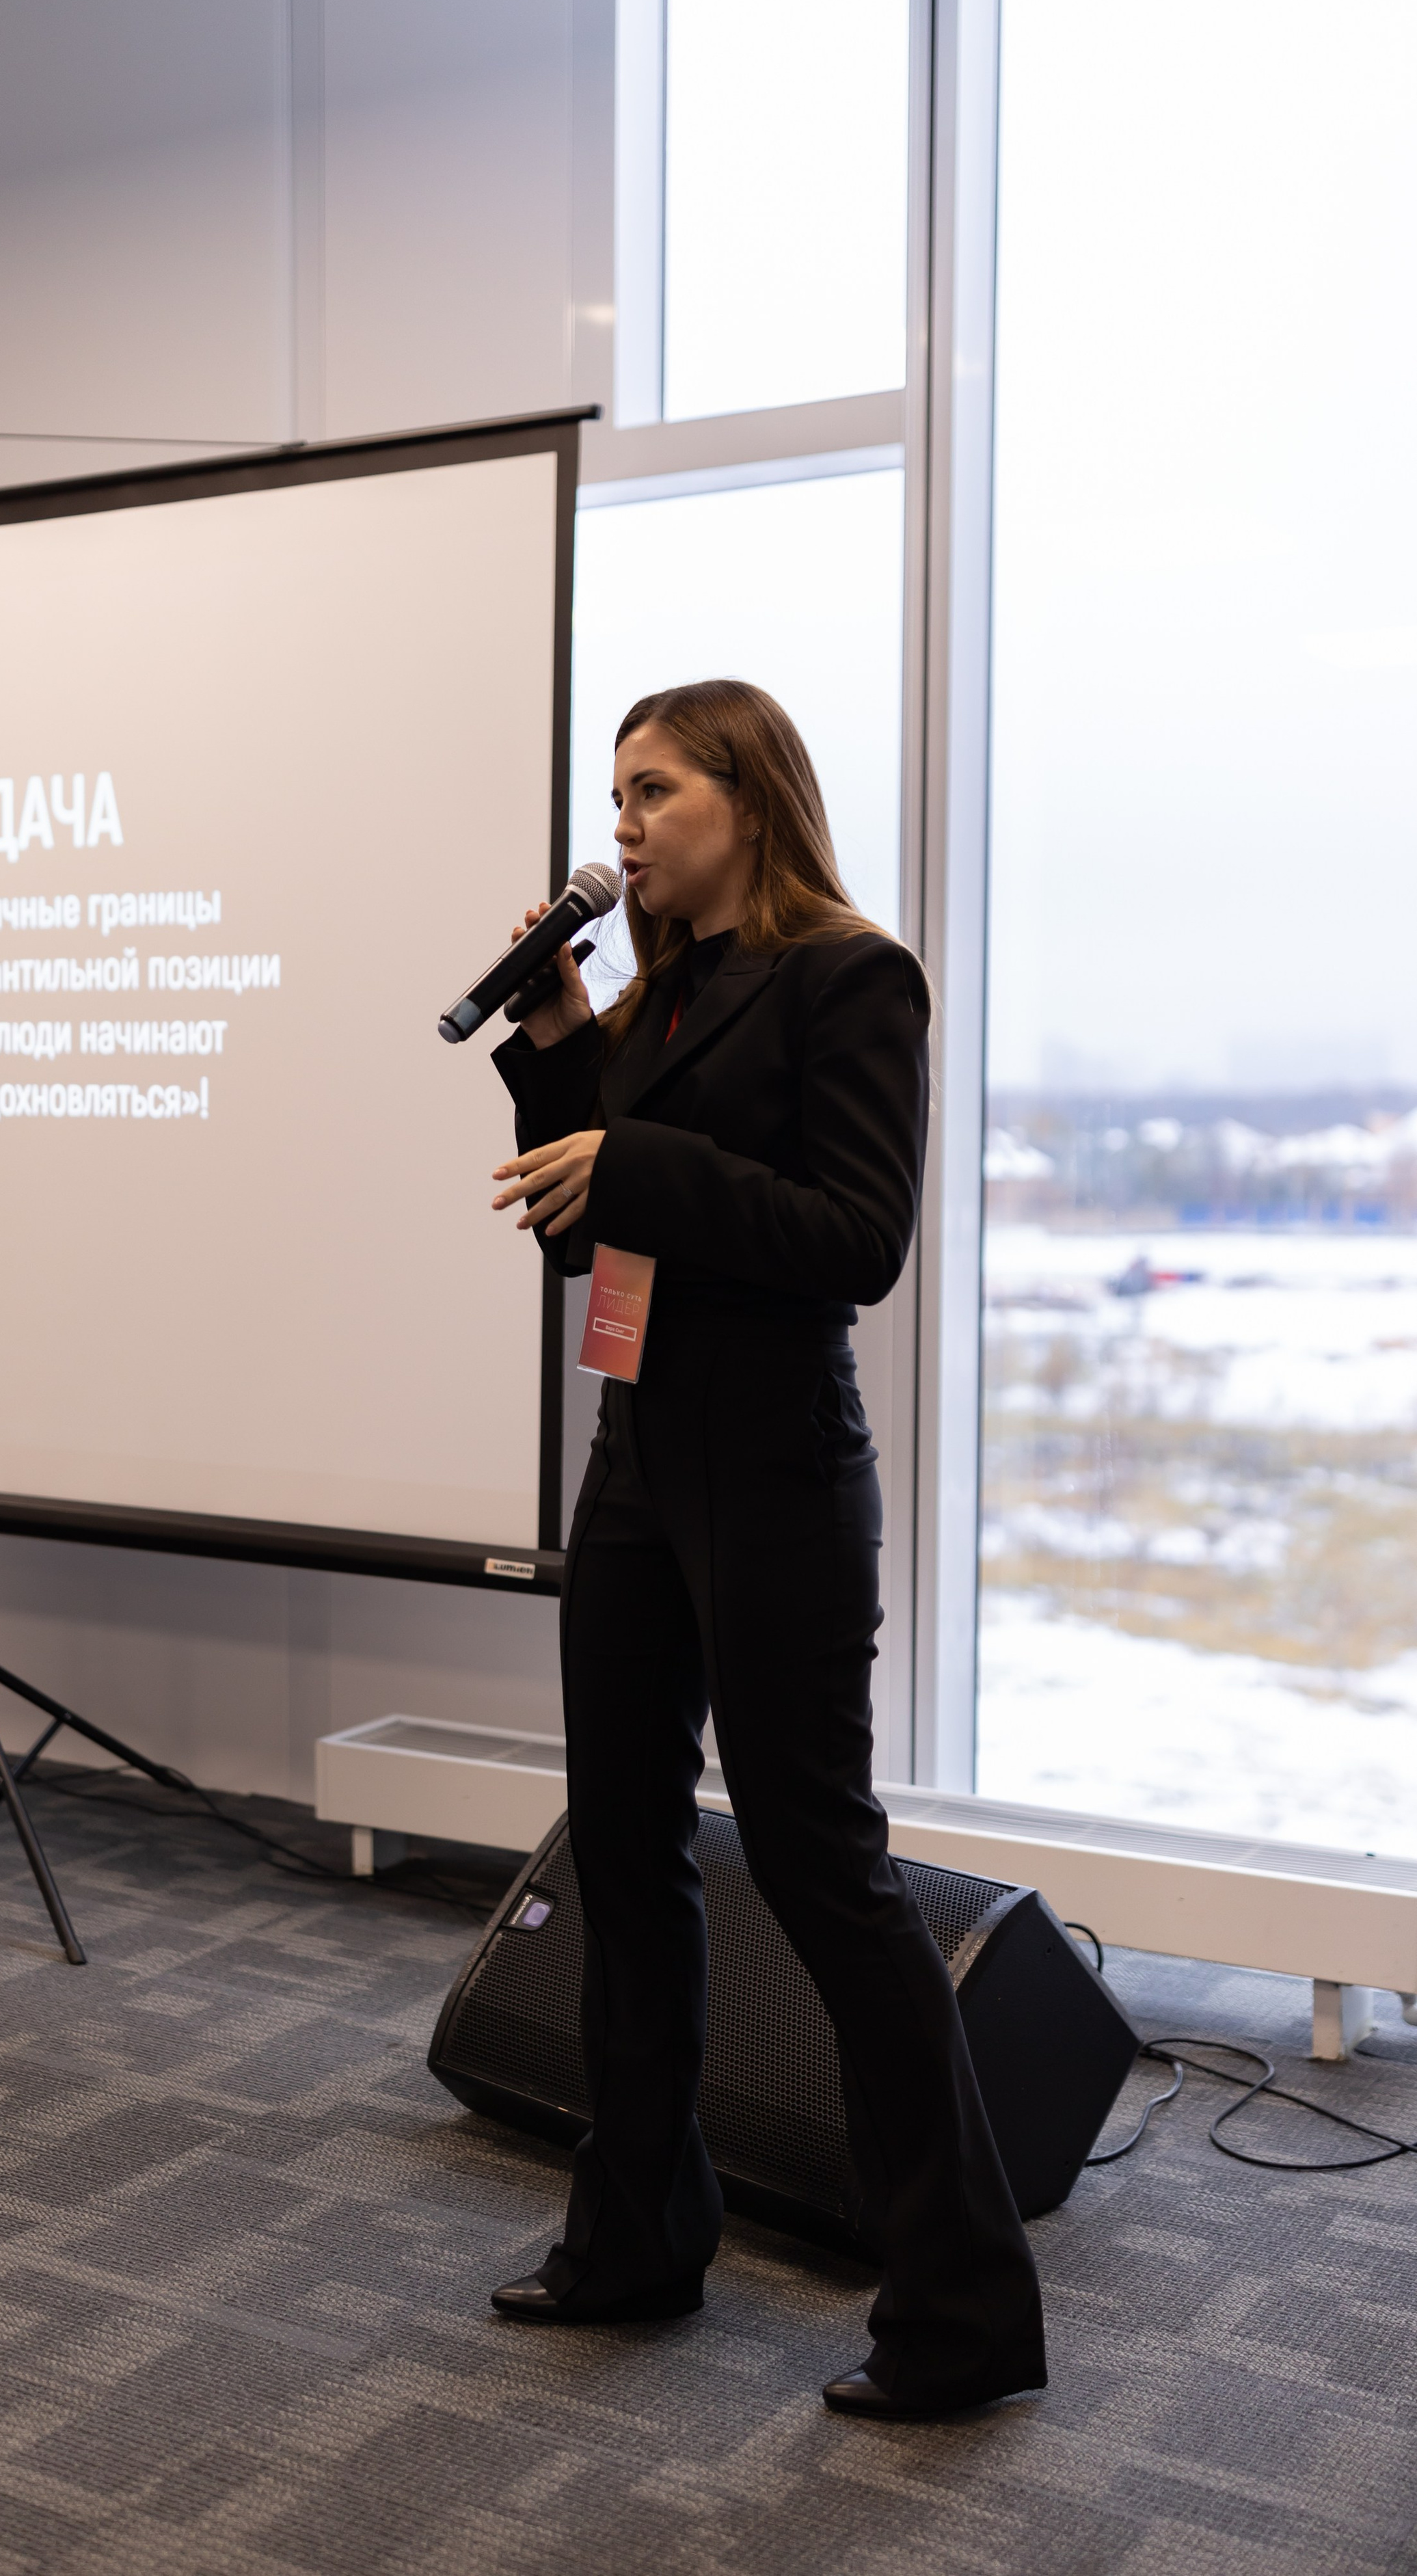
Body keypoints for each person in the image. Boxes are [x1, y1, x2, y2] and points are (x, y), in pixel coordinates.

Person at [483, 679, 1045, 2421]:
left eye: (652, 792)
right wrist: (560, 1044)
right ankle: (636, 2238)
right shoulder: (657, 996)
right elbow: (587, 1238)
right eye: (616, 796)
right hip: (639, 1460)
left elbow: (853, 1239)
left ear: (749, 796)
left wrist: (628, 1148)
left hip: (780, 1478)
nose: (624, 824)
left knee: (821, 1873)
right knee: (627, 1849)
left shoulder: (847, 976)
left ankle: (957, 2313)